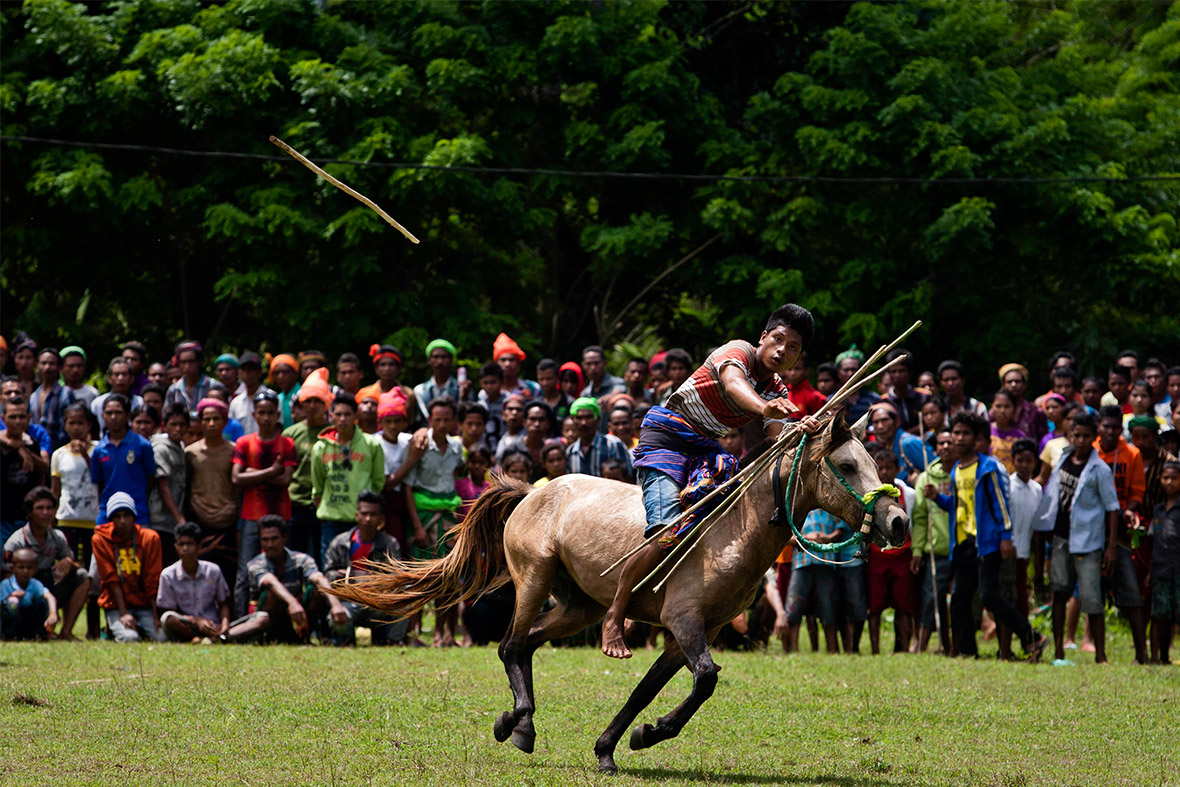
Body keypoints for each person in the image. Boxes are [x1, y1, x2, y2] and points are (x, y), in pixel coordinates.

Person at [603, 304, 820, 659]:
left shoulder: (776, 388)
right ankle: (615, 615)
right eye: (778, 340)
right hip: (665, 437)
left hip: (705, 449)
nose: (782, 350)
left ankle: (689, 603)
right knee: (667, 531)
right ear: (763, 337)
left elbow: (778, 440)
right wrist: (765, 409)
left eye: (793, 347)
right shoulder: (736, 352)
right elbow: (735, 386)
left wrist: (802, 431)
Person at [925, 412, 1048, 661]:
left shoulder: (988, 466)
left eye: (965, 434)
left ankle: (1031, 636)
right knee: (959, 600)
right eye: (956, 433)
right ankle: (968, 651)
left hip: (987, 543)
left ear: (977, 438)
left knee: (990, 596)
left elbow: (1000, 503)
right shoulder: (957, 471)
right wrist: (937, 498)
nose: (959, 438)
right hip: (962, 543)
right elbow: (958, 506)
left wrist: (1005, 537)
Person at [1033, 412, 1126, 664]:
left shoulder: (1100, 469)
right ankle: (1059, 652)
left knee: (1092, 597)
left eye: (1087, 436)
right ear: (1070, 435)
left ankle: (1101, 654)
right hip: (1061, 537)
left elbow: (1112, 508)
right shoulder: (1063, 460)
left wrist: (1111, 547)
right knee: (1059, 594)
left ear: (1094, 437)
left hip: (1088, 541)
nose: (1082, 440)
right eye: (1077, 435)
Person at [227, 516, 348, 644]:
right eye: (265, 540)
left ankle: (305, 636)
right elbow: (270, 582)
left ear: (284, 538)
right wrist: (293, 603)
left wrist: (336, 605)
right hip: (268, 617)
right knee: (272, 593)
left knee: (317, 590)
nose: (270, 544)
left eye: (274, 539)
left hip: (297, 617)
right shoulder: (255, 564)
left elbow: (318, 577)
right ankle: (230, 636)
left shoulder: (301, 559)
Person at [231, 391, 297, 618]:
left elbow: (285, 480)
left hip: (281, 515)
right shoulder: (243, 443)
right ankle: (240, 621)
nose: (266, 417)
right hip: (251, 516)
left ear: (278, 414)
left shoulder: (287, 443)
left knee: (287, 569)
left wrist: (252, 472)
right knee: (245, 571)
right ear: (254, 414)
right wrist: (271, 471)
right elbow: (236, 478)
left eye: (270, 413)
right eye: (262, 413)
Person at [3, 487, 90, 640]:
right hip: (23, 594)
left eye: (50, 508)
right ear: (30, 512)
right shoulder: (16, 541)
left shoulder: (57, 537)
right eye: (40, 508)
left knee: (83, 576)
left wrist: (69, 562)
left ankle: (66, 631)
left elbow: (73, 563)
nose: (46, 513)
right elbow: (6, 576)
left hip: (47, 589)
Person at [322, 490, 406, 645]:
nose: (368, 519)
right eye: (364, 513)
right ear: (356, 515)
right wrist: (335, 575)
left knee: (407, 597)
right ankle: (345, 640)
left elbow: (397, 577)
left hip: (378, 604)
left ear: (381, 519)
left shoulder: (389, 543)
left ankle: (393, 641)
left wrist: (377, 581)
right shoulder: (340, 542)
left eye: (373, 515)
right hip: (348, 603)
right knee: (335, 617)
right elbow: (326, 574)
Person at [311, 392, 385, 561]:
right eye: (338, 414)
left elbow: (378, 480)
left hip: (362, 521)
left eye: (347, 414)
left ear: (355, 416)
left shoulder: (371, 444)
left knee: (362, 571)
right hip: (331, 520)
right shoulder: (320, 447)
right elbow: (318, 484)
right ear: (331, 416)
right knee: (332, 573)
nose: (343, 419)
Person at [91, 492, 163, 642]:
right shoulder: (100, 539)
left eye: (127, 515)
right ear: (111, 519)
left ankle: (141, 627)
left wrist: (156, 616)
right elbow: (110, 578)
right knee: (129, 638)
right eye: (117, 516)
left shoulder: (149, 538)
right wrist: (123, 613)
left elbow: (152, 578)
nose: (122, 521)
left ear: (134, 517)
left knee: (161, 638)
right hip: (116, 605)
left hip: (144, 604)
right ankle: (112, 629)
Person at [185, 398, 238, 594]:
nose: (211, 424)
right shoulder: (190, 453)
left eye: (216, 419)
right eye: (207, 419)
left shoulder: (234, 450)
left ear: (225, 422)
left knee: (228, 574)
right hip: (200, 520)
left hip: (228, 521)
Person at [866, 449, 914, 654]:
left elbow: (914, 526)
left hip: (903, 556)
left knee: (904, 607)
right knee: (875, 607)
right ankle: (875, 650)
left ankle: (903, 648)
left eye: (888, 468)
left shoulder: (908, 494)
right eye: (880, 468)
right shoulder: (870, 494)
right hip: (877, 556)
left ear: (898, 470)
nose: (884, 472)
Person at [910, 429, 954, 654]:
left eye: (950, 442)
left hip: (961, 547)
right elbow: (918, 517)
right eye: (941, 443)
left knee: (956, 601)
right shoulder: (925, 478)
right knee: (931, 598)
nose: (946, 447)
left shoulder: (962, 473)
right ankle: (923, 644)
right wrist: (917, 550)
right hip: (935, 549)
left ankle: (951, 645)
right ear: (935, 449)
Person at [283, 368, 332, 562]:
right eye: (308, 401)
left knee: (323, 558)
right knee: (296, 557)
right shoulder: (291, 434)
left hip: (324, 505)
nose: (312, 406)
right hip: (296, 504)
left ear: (326, 404)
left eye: (317, 401)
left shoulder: (332, 433)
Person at [157, 521, 230, 643]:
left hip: (212, 625)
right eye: (181, 544)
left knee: (260, 620)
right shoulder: (168, 575)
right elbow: (166, 611)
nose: (185, 548)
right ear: (176, 547)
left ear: (199, 546)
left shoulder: (213, 571)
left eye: (190, 544)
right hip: (187, 625)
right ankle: (196, 639)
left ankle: (215, 637)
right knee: (167, 619)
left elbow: (224, 604)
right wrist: (195, 621)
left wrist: (225, 625)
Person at [90, 394, 156, 529]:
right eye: (109, 413)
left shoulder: (142, 445)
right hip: (107, 514)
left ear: (127, 416)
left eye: (118, 413)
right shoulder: (99, 449)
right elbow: (100, 484)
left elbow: (150, 480)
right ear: (102, 416)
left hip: (137, 513)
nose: (113, 417)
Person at [783, 510, 842, 654]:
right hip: (802, 563)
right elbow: (785, 536)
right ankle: (794, 651)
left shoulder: (830, 511)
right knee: (793, 607)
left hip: (826, 562)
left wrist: (828, 538)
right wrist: (804, 538)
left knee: (828, 608)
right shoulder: (799, 511)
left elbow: (841, 529)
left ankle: (832, 650)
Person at [1003, 438, 1041, 659]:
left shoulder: (1037, 489)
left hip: (1025, 552)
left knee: (1021, 602)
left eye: (1029, 460)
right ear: (1013, 462)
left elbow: (1036, 527)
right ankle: (1008, 647)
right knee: (1011, 601)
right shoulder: (1008, 486)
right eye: (1020, 460)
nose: (1025, 465)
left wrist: (1036, 558)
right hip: (1010, 552)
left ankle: (1026, 646)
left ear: (1035, 462)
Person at [2, 395, 50, 545]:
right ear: (3, 418)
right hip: (2, 518)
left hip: (25, 517)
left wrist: (23, 449)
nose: (17, 421)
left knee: (26, 563)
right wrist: (14, 446)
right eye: (13, 416)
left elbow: (43, 471)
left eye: (22, 416)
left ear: (29, 417)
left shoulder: (32, 444)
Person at [148, 404, 189, 568]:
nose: (178, 429)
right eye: (173, 424)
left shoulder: (180, 446)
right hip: (160, 518)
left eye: (182, 425)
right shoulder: (161, 448)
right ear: (164, 426)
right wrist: (180, 518)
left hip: (172, 519)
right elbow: (163, 486)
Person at [1147, 461, 1180, 664]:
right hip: (1160, 568)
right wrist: (1151, 570)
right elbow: (1154, 541)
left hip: (1178, 569)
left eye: (1174, 478)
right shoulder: (1158, 510)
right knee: (1159, 614)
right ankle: (1157, 657)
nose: (1169, 482)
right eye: (1165, 477)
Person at [565, 397, 632, 479]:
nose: (584, 423)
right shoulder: (571, 452)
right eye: (579, 418)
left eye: (588, 417)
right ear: (573, 420)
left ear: (598, 419)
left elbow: (628, 478)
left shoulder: (613, 445)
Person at [1, 547, 57, 640]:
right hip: (12, 621)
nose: (25, 571)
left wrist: (53, 614)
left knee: (43, 601)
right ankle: (10, 635)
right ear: (12, 568)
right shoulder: (6, 584)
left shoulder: (35, 584)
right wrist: (9, 597)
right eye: (21, 567)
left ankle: (39, 633)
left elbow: (50, 597)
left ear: (35, 569)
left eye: (29, 568)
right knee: (12, 602)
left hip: (28, 621)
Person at [356, 345, 417, 423]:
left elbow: (410, 421)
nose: (387, 369)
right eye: (383, 365)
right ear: (376, 369)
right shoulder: (365, 393)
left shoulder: (408, 393)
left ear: (398, 368)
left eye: (391, 365)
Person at [867, 402, 926, 483]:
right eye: (876, 422)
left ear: (897, 421)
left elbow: (935, 469)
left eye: (884, 420)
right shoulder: (885, 446)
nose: (880, 426)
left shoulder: (908, 443)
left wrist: (922, 478)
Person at [997, 363, 1049, 444]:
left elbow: (1043, 440)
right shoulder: (995, 413)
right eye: (1009, 382)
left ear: (1024, 385)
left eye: (1017, 381)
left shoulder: (1036, 412)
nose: (1013, 385)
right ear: (1003, 385)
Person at [414, 339, 463, 421]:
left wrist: (463, 398)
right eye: (436, 357)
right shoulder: (420, 391)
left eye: (444, 357)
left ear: (451, 360)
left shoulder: (461, 388)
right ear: (429, 360)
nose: (440, 361)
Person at [227, 351, 271, 435]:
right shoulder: (235, 402)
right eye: (244, 369)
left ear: (260, 372)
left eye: (252, 369)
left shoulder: (272, 398)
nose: (248, 372)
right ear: (239, 373)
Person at [883, 349, 926, 432]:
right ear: (889, 374)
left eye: (901, 371)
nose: (897, 375)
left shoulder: (923, 397)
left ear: (910, 373)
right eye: (893, 371)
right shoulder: (884, 402)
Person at [29, 348, 64, 448]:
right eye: (43, 363)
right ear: (37, 365)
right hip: (37, 449)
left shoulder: (65, 393)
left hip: (59, 449)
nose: (47, 367)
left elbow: (66, 427)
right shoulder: (34, 396)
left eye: (52, 363)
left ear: (59, 367)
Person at [90, 357, 144, 421]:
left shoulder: (140, 403)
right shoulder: (98, 404)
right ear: (109, 378)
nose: (120, 378)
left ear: (132, 378)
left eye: (124, 374)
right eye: (116, 374)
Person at [989, 389, 1029, 474]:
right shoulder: (985, 432)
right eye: (998, 406)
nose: (1002, 411)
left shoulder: (1020, 436)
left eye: (1007, 407)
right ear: (992, 407)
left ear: (1014, 409)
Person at [164, 341, 211, 412]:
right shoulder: (173, 390)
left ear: (200, 362)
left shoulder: (213, 386)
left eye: (191, 361)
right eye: (183, 362)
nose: (187, 366)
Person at [836, 345, 879, 422]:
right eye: (846, 370)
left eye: (854, 369)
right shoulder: (832, 401)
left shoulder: (874, 399)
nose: (850, 373)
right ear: (839, 373)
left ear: (863, 372)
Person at [58, 346, 99, 425]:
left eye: (79, 366)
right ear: (61, 368)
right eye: (71, 366)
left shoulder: (92, 393)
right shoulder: (56, 392)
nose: (75, 370)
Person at [492, 333, 541, 400]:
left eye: (511, 360)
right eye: (503, 360)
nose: (507, 364)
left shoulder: (533, 388)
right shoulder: (489, 391)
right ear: (496, 364)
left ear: (518, 364)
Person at [783, 352, 827, 417]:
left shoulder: (816, 397)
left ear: (807, 371)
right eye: (789, 369)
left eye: (798, 369)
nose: (793, 373)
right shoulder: (782, 392)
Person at [477, 362, 508, 452]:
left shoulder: (508, 403)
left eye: (493, 382)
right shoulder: (480, 405)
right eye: (485, 383)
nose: (489, 386)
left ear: (502, 382)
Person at [267, 353, 301, 429]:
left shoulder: (302, 395)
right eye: (276, 373)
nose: (280, 376)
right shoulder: (278, 398)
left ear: (295, 374)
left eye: (285, 372)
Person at [536, 359, 573, 425]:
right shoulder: (536, 404)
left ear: (557, 378)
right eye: (541, 379)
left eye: (549, 379)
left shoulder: (569, 403)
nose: (545, 383)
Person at [493, 395, 528, 463]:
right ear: (503, 415)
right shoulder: (502, 439)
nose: (514, 413)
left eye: (519, 410)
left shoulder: (528, 439)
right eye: (510, 409)